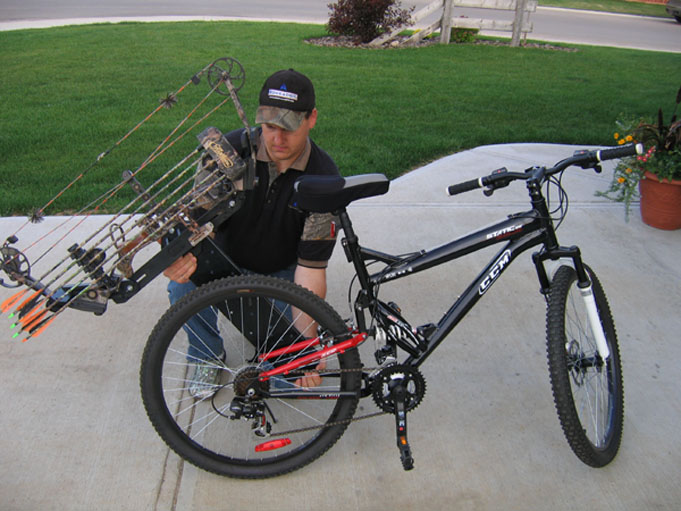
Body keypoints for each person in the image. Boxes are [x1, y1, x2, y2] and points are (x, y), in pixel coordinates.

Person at [164, 69, 339, 398]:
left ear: (311, 118)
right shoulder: (226, 153)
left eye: (288, 128)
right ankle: (206, 355)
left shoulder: (325, 181)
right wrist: (178, 257)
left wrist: (307, 350)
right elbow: (196, 223)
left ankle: (287, 356)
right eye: (270, 126)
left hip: (283, 276)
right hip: (226, 260)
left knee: (290, 379)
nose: (276, 139)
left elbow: (311, 271)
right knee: (181, 287)